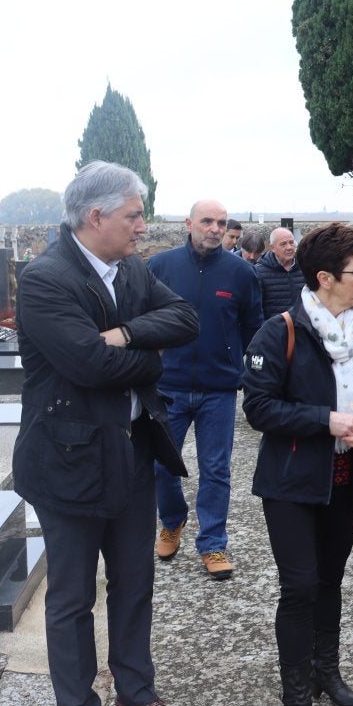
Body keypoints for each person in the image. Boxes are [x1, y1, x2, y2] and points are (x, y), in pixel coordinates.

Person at [12, 161, 198, 706]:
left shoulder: (131, 270)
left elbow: (185, 319)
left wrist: (126, 335)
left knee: (135, 581)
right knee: (72, 594)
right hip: (67, 460)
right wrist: (151, 357)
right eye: (134, 215)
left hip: (131, 452)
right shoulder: (46, 279)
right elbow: (88, 366)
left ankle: (135, 695)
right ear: (96, 217)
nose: (143, 226)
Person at [243, 223, 353, 706]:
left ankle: (326, 673)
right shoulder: (279, 331)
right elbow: (258, 407)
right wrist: (324, 420)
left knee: (330, 579)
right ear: (325, 278)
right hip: (291, 481)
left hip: (345, 477)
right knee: (300, 585)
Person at [147, 199, 264, 580]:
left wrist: (245, 370)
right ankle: (172, 520)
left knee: (216, 469)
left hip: (219, 389)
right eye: (207, 221)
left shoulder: (241, 273)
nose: (215, 228)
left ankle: (212, 542)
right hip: (169, 385)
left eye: (221, 222)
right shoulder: (160, 267)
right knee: (161, 464)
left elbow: (253, 328)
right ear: (189, 223)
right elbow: (144, 321)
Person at [256, 227, 303, 318]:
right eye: (283, 244)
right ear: (272, 248)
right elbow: (256, 309)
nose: (289, 247)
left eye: (291, 242)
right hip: (274, 326)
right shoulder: (259, 272)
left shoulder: (305, 267)